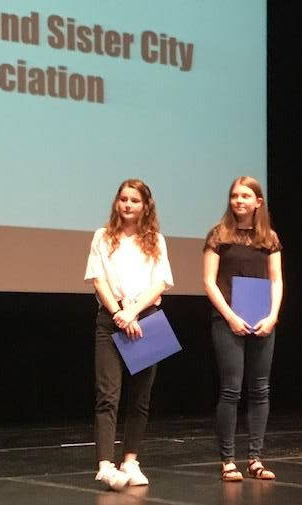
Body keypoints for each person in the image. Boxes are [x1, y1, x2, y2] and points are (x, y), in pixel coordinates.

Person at [85, 179, 173, 490]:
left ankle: (131, 461)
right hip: (110, 319)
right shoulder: (102, 236)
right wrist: (120, 314)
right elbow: (98, 280)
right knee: (108, 394)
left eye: (134, 200)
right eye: (122, 199)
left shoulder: (156, 240)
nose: (127, 205)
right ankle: (106, 465)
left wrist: (133, 312)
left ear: (145, 205)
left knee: (141, 397)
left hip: (145, 318)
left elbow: (161, 282)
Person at [203, 176, 283, 481]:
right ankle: (228, 461)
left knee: (260, 389)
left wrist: (273, 315)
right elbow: (209, 281)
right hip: (228, 320)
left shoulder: (269, 238)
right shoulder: (219, 235)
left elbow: (276, 280)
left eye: (245, 196)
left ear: (257, 202)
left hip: (263, 318)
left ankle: (255, 458)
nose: (238, 200)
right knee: (231, 389)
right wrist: (230, 316)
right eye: (234, 195)